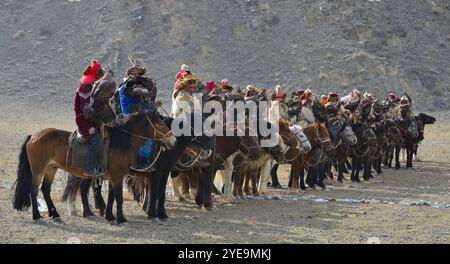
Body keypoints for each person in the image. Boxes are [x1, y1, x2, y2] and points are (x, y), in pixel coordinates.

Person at [74, 59, 105, 177]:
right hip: (84, 120)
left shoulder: (91, 85)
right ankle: (89, 169)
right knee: (96, 140)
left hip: (92, 119)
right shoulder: (85, 87)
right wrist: (98, 117)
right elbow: (86, 110)